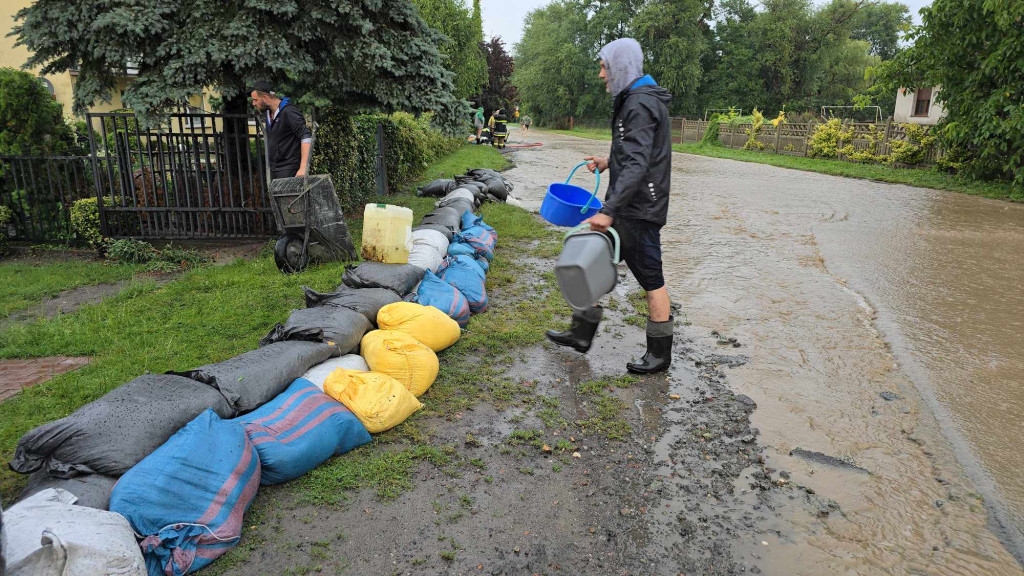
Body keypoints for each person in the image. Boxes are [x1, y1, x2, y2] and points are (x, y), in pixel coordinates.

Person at [545, 38, 674, 374]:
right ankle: (581, 332)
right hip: (629, 203)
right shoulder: (635, 99)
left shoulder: (640, 104)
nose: (601, 74)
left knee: (652, 280)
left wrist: (609, 209)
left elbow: (637, 163)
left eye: (604, 66)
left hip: (639, 209)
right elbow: (632, 154)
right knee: (593, 259)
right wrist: (607, 161)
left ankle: (660, 354)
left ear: (621, 67)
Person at [250, 81, 312, 179]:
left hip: (289, 170)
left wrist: (303, 167)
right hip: (274, 169)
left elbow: (306, 137)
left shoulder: (289, 111)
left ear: (265, 98)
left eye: (255, 100)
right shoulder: (268, 113)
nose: (253, 103)